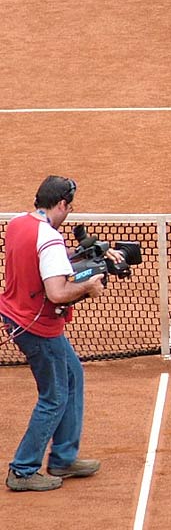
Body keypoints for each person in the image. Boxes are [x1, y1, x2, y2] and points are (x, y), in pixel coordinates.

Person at [1, 176, 122, 492]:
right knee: (54, 396)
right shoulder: (50, 239)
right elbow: (57, 292)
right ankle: (23, 470)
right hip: (38, 327)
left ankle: (63, 459)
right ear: (61, 204)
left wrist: (89, 256)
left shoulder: (19, 224)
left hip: (18, 316)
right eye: (69, 206)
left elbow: (43, 257)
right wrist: (89, 286)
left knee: (72, 376)